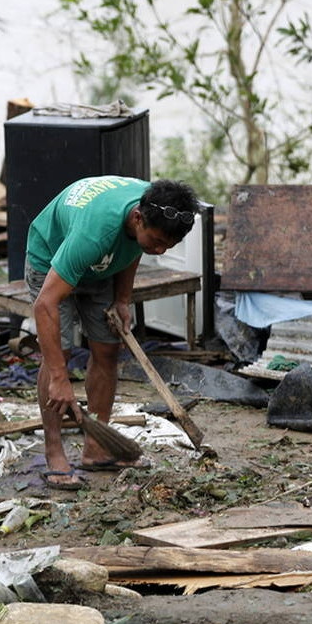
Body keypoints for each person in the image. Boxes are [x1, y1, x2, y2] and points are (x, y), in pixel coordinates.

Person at [25, 175, 199, 489]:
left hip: (100, 267)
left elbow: (133, 247)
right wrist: (60, 378)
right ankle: (54, 451)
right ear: (137, 218)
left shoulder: (151, 213)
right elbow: (45, 304)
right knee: (59, 355)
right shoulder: (95, 232)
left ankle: (96, 448)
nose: (159, 251)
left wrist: (122, 300)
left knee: (107, 349)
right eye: (157, 242)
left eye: (167, 246)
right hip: (50, 256)